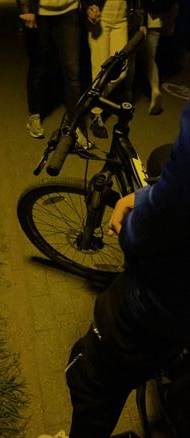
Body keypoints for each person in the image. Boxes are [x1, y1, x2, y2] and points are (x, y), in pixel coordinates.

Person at [35, 99, 190, 438]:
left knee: (89, 376)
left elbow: (148, 232)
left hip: (160, 308)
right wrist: (155, 195)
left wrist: (133, 224)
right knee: (162, 157)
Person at [17, 0, 94, 149]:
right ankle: (34, 115)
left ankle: (74, 127)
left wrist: (90, 4)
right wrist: (26, 8)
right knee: (39, 64)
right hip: (39, 11)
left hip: (69, 11)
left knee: (72, 70)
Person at [82, 0, 129, 138]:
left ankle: (93, 99)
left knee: (121, 72)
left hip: (122, 17)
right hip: (102, 13)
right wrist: (88, 6)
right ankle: (96, 113)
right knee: (99, 69)